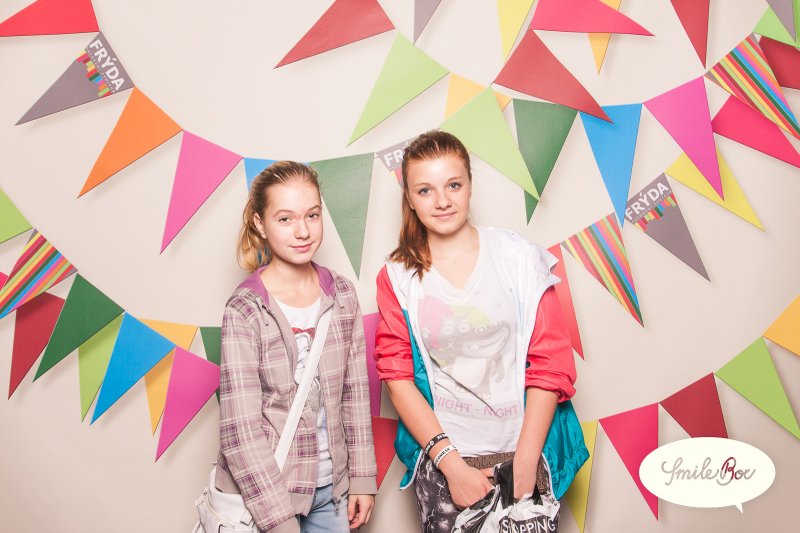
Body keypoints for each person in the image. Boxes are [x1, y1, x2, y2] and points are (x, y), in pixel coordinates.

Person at [373, 131, 588, 532]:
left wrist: (525, 463)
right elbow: (397, 378)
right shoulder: (397, 276)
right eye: (425, 190)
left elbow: (550, 363)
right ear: (410, 198)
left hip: (524, 451)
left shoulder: (518, 257)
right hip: (447, 461)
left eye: (453, 185)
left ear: (470, 185)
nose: (442, 201)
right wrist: (452, 467)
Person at [216, 161, 377, 532]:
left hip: (332, 493)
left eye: (312, 215)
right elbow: (239, 432)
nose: (303, 231)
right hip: (265, 496)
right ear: (260, 223)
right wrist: (279, 520)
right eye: (285, 219)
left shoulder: (341, 294)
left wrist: (362, 477)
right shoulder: (245, 309)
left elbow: (354, 393)